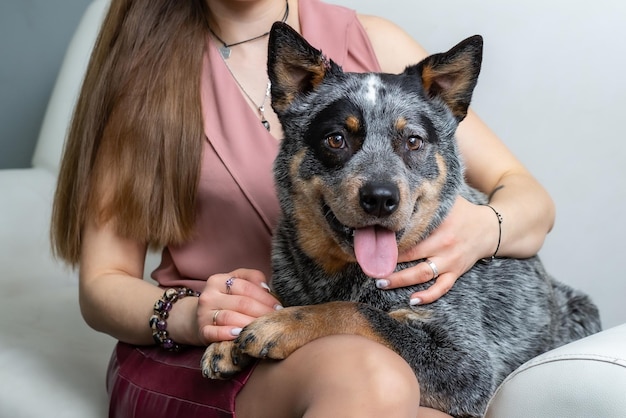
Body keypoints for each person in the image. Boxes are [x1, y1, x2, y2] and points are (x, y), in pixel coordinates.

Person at [50, 0, 555, 416]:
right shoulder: (147, 80)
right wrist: (187, 316)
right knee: (373, 381)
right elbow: (101, 284)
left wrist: (480, 228)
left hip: (341, 348)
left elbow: (529, 199)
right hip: (198, 348)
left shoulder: (374, 38)